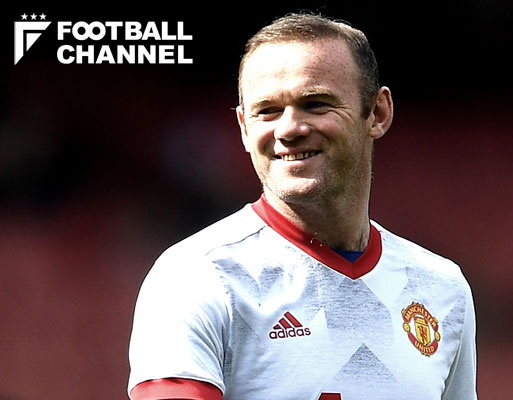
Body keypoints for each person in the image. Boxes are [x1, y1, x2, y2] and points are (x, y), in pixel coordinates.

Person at [127, 12, 477, 400]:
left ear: (377, 113)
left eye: (316, 104)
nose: (289, 128)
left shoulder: (442, 287)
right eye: (267, 110)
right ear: (244, 127)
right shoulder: (198, 276)